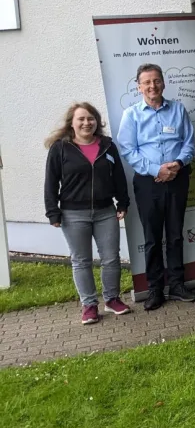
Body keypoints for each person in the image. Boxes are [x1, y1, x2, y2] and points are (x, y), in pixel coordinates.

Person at [117, 64, 195, 310]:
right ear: (139, 86)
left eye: (156, 81)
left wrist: (176, 164)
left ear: (163, 83)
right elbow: (128, 150)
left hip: (177, 177)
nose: (152, 86)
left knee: (175, 234)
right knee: (152, 237)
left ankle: (176, 285)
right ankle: (154, 289)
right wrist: (157, 170)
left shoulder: (178, 109)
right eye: (147, 82)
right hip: (147, 182)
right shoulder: (131, 114)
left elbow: (189, 143)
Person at [44, 103, 131, 324]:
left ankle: (112, 300)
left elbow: (119, 176)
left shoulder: (107, 145)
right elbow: (51, 182)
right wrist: (52, 211)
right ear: (71, 123)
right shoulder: (60, 148)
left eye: (90, 118)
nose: (86, 123)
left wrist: (123, 202)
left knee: (111, 258)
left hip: (105, 211)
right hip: (73, 214)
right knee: (81, 261)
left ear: (96, 121)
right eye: (81, 119)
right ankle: (89, 305)